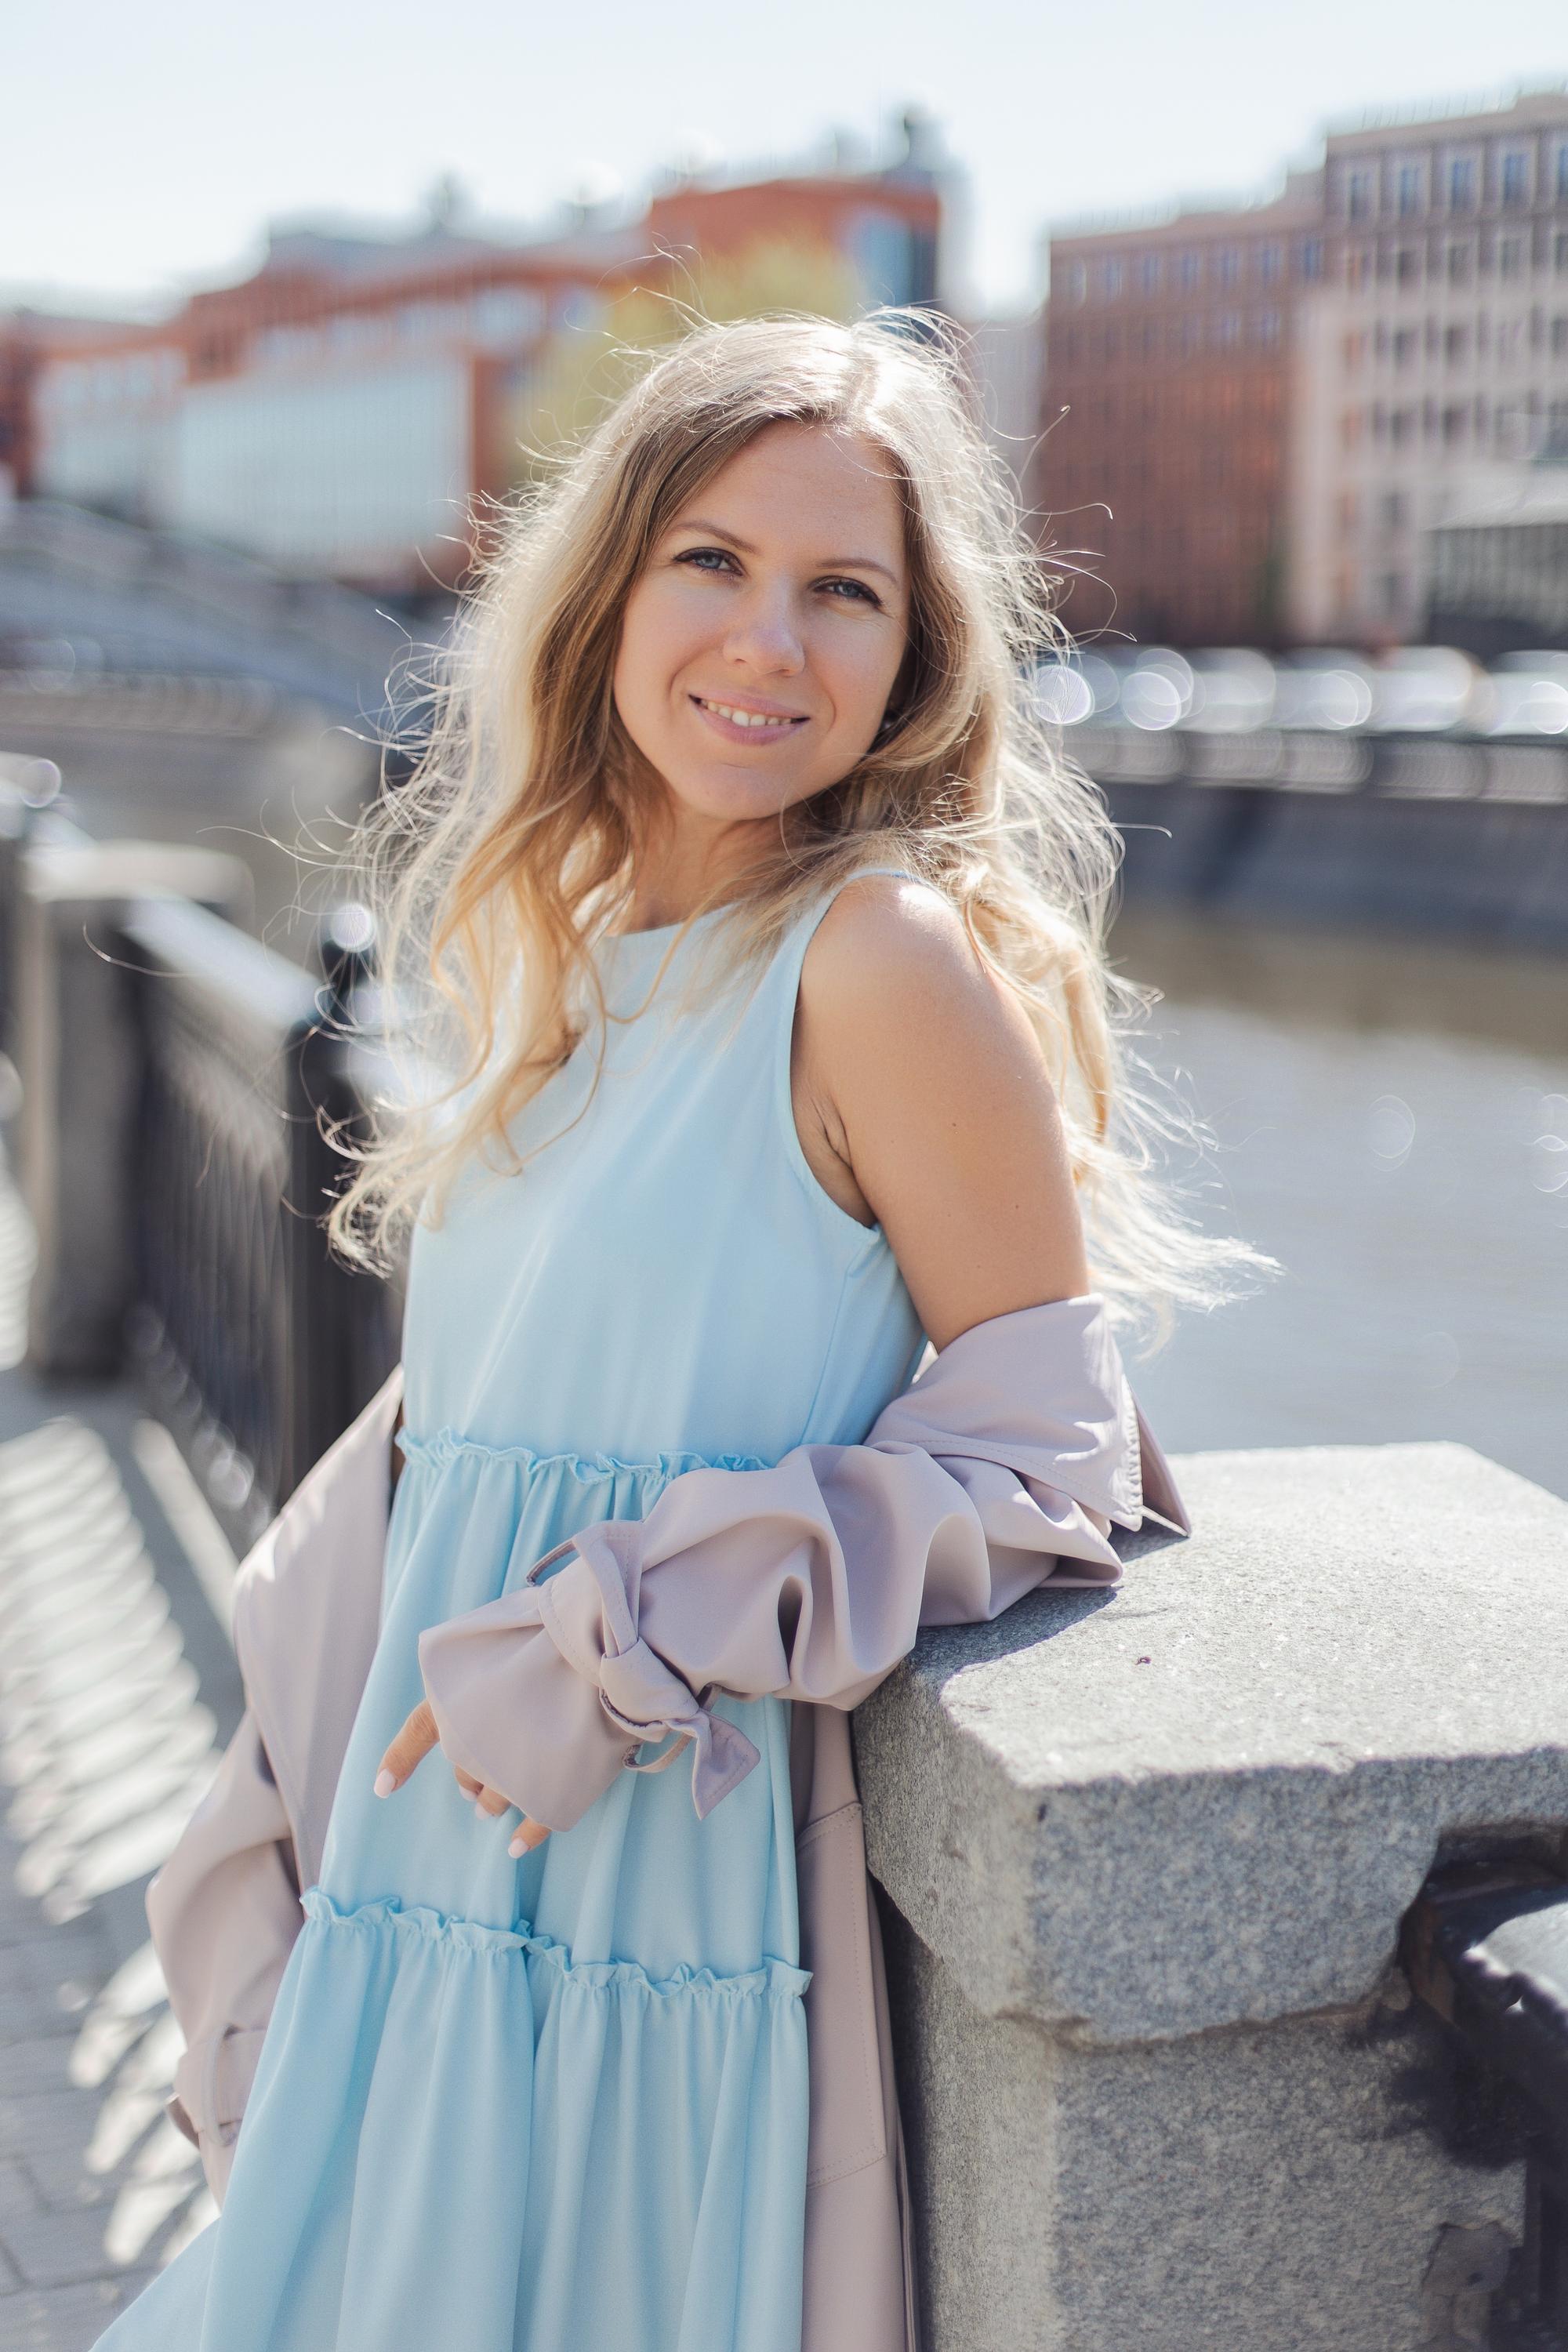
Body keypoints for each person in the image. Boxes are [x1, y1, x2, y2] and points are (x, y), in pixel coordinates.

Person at [94, 310, 1258, 2352]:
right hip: (416, 1894)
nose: (768, 642)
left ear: (915, 655)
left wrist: (637, 1623)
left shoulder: (877, 961)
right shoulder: (563, 953)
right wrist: (291, 1749)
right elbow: (489, 1411)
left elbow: (1058, 1448)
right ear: (610, 590)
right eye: (711, 559)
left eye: (845, 591)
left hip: (637, 1902)